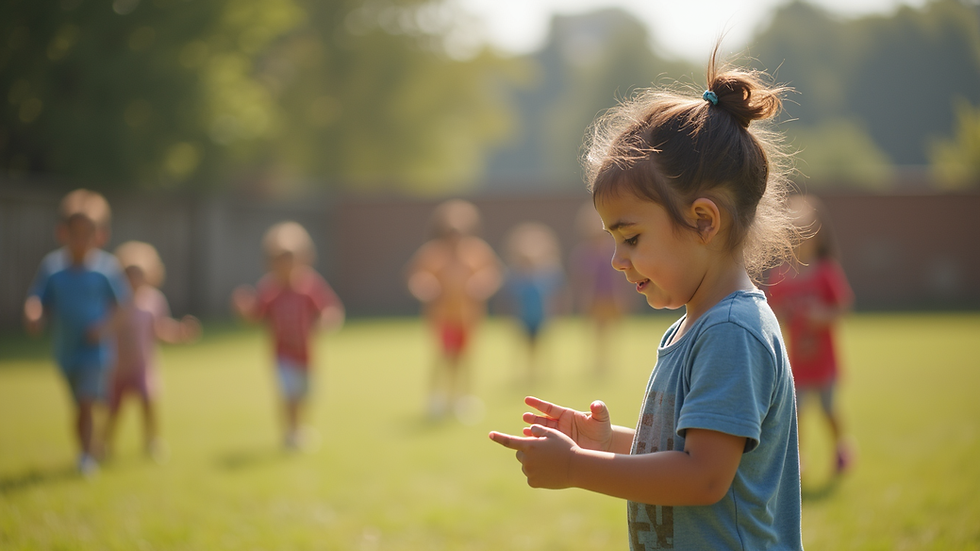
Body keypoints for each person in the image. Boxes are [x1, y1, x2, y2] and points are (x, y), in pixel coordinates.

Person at [489, 46, 805, 550]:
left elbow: (702, 477)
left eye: (631, 238)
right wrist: (607, 444)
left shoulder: (731, 331)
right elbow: (685, 451)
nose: (616, 260)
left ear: (703, 221)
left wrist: (576, 466)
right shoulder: (695, 326)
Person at [24, 189, 130, 476]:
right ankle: (88, 447)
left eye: (88, 233)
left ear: (100, 235)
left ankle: (85, 458)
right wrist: (33, 314)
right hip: (66, 350)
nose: (81, 240)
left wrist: (104, 328)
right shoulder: (53, 267)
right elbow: (38, 298)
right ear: (63, 232)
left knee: (86, 402)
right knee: (79, 406)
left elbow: (122, 307)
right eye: (76, 233)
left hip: (96, 350)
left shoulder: (106, 269)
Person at [232, 221, 345, 450]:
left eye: (291, 257)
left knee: (304, 394)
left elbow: (330, 308)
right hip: (282, 355)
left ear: (303, 257)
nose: (286, 265)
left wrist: (328, 320)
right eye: (280, 259)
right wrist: (244, 311)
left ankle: (300, 428)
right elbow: (256, 315)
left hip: (305, 353)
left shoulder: (310, 286)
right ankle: (291, 433)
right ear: (271, 262)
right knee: (288, 394)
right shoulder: (270, 289)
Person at [767, 195, 855, 477]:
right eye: (796, 232)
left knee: (829, 408)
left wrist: (823, 315)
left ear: (818, 234)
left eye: (807, 232)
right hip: (798, 365)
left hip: (824, 361)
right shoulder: (781, 276)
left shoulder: (826, 271)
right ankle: (798, 460)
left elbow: (843, 307)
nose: (802, 239)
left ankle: (842, 446)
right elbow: (772, 312)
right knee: (797, 415)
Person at [103, 241, 201, 463]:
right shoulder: (115, 302)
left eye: (139, 273)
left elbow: (160, 329)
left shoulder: (153, 301)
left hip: (142, 366)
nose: (134, 279)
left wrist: (181, 333)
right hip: (116, 367)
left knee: (148, 403)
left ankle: (152, 441)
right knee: (114, 409)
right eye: (129, 274)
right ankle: (104, 445)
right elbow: (105, 328)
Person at [406, 199, 502, 420]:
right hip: (442, 317)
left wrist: (480, 284)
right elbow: (417, 276)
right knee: (442, 356)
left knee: (465, 358)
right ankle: (437, 399)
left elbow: (492, 274)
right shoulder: (433, 253)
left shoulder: (477, 251)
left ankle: (463, 398)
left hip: (468, 317)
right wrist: (425, 286)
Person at [570, 202, 633, 376]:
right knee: (595, 330)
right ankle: (596, 363)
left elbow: (619, 279)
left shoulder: (613, 250)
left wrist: (622, 297)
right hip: (594, 298)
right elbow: (581, 280)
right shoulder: (584, 253)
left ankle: (608, 363)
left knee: (611, 330)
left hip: (611, 297)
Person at [501, 222, 566, 381]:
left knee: (542, 345)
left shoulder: (547, 273)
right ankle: (524, 374)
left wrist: (557, 312)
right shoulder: (516, 275)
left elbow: (557, 295)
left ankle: (540, 374)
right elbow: (510, 298)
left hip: (541, 317)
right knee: (523, 346)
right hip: (523, 318)